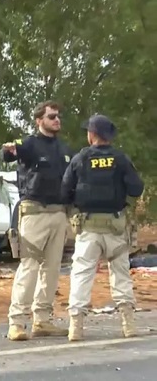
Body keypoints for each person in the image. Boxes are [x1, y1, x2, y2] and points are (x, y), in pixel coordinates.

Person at [61, 115, 144, 341]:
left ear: (92, 135)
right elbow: (136, 189)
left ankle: (75, 327)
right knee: (121, 274)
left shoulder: (80, 158)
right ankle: (128, 324)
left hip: (88, 228)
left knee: (81, 274)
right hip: (116, 227)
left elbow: (64, 190)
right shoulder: (120, 159)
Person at [0, 100, 74, 341]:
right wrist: (9, 149)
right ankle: (17, 322)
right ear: (39, 120)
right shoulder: (30, 144)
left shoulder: (64, 149)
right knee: (29, 267)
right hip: (34, 212)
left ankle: (42, 320)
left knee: (52, 269)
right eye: (52, 116)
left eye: (58, 116)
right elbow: (9, 153)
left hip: (58, 213)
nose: (57, 120)